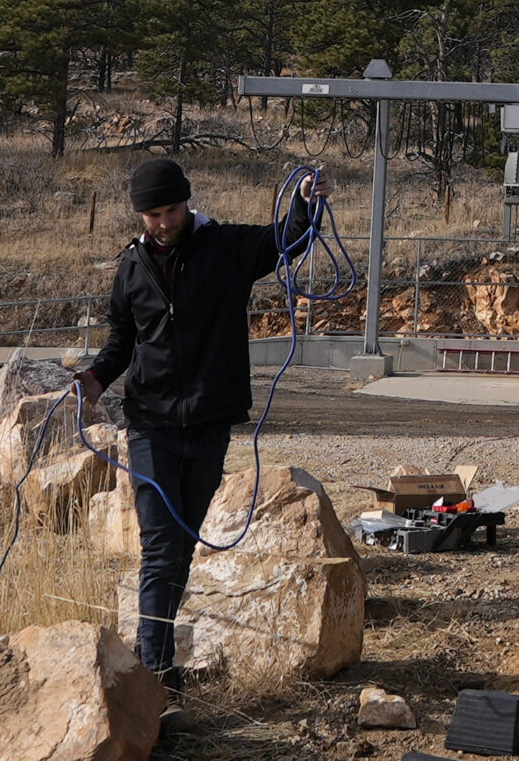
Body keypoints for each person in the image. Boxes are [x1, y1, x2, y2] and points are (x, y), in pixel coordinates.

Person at [79, 156, 326, 686]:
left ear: (187, 202)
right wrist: (96, 378)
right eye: (152, 215)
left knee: (182, 544)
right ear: (139, 216)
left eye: (170, 210)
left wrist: (307, 200)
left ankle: (158, 662)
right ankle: (156, 677)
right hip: (149, 425)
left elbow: (288, 238)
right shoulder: (131, 266)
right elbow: (123, 339)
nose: (163, 223)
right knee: (161, 546)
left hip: (211, 423)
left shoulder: (229, 247)